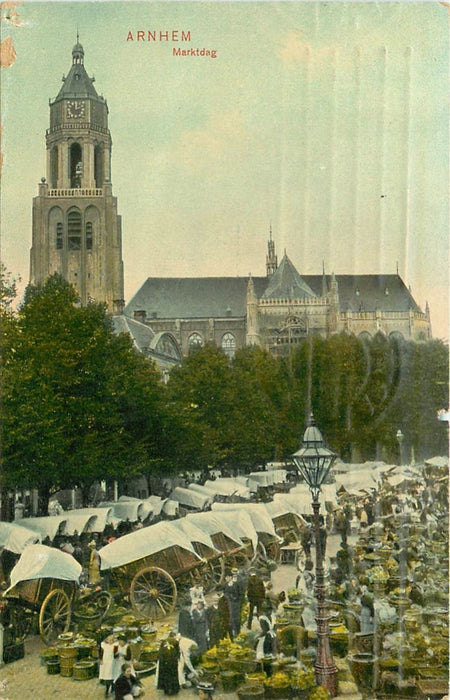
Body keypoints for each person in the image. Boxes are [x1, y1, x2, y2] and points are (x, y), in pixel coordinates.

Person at [156, 631, 180, 695]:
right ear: (174, 636)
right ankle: (174, 690)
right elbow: (178, 652)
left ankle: (166, 689)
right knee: (173, 675)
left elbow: (159, 652)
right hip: (172, 660)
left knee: (165, 675)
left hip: (163, 660)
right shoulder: (175, 641)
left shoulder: (163, 642)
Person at [224, 570, 242, 639]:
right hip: (229, 604)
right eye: (226, 578)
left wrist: (238, 602)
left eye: (227, 577)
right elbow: (225, 593)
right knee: (230, 619)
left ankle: (238, 633)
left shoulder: (236, 584)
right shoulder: (226, 585)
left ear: (231, 577)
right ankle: (232, 635)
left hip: (235, 604)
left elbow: (240, 594)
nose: (226, 579)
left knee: (236, 619)